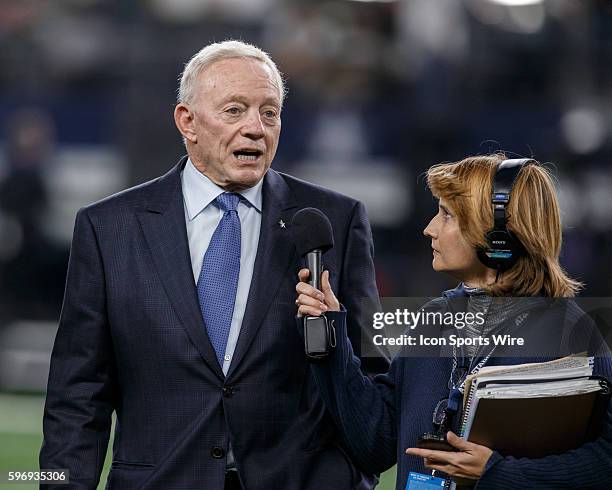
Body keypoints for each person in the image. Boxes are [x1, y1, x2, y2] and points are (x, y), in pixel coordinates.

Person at [40, 40, 388, 490]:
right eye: (234, 110)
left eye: (269, 112)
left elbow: (375, 381)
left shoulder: (334, 222)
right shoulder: (107, 228)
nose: (255, 129)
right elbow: (76, 396)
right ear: (187, 121)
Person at [296, 154, 612, 489]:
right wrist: (330, 336)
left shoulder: (571, 332)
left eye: (447, 215)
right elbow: (375, 444)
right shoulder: (434, 318)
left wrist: (497, 473)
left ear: (498, 235)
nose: (429, 229)